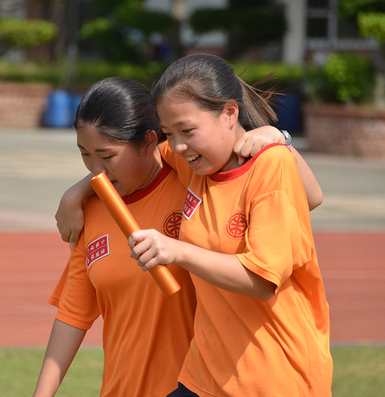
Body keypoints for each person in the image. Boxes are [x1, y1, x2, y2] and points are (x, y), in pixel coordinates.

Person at [34, 77, 322, 397]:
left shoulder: (191, 174)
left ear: (148, 142)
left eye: (107, 155)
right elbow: (73, 314)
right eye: (84, 155)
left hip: (203, 384)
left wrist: (279, 139)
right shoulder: (91, 210)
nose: (95, 169)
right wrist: (76, 193)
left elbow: (305, 197)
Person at [128, 54, 332, 396]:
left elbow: (261, 280)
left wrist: (177, 250)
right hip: (204, 377)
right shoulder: (192, 159)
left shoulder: (271, 164)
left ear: (229, 113)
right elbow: (132, 165)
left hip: (273, 379)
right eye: (169, 132)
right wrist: (77, 194)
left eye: (187, 130)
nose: (177, 145)